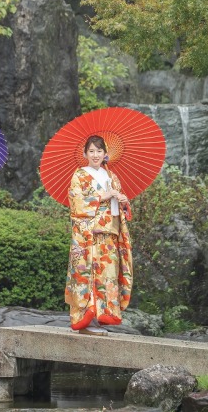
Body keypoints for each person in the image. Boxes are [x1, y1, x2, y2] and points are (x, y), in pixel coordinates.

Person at [65, 135, 133, 336]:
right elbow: (76, 202)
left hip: (110, 233)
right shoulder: (79, 175)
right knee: (89, 274)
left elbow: (121, 209)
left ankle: (102, 316)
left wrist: (122, 200)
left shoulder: (112, 177)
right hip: (89, 234)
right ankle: (87, 318)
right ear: (85, 154)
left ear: (105, 154)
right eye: (91, 151)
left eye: (99, 151)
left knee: (107, 275)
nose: (95, 155)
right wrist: (103, 196)